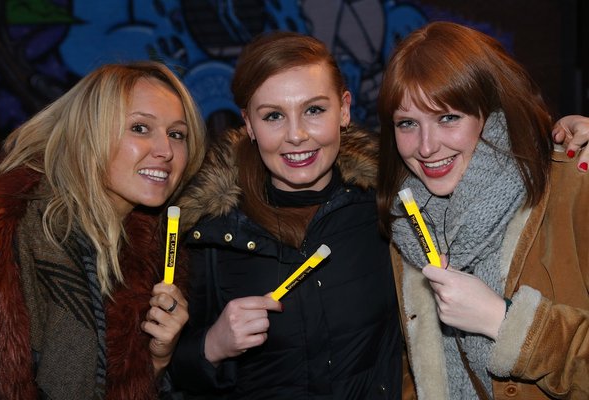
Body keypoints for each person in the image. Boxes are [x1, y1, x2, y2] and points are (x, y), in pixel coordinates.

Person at [168, 31, 402, 399]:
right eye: (273, 115)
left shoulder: (390, 207)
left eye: (314, 110)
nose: (296, 135)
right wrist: (211, 348)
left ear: (344, 109)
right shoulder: (207, 233)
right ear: (248, 124)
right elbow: (161, 374)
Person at [376, 21, 589, 399]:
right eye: (407, 123)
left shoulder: (573, 187)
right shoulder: (406, 222)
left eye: (448, 118)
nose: (426, 147)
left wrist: (504, 322)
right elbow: (415, 368)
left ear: (491, 113)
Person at [0, 61, 206, 399]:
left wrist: (157, 358)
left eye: (177, 134)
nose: (166, 151)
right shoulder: (11, 236)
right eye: (140, 128)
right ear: (88, 132)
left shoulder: (149, 256)